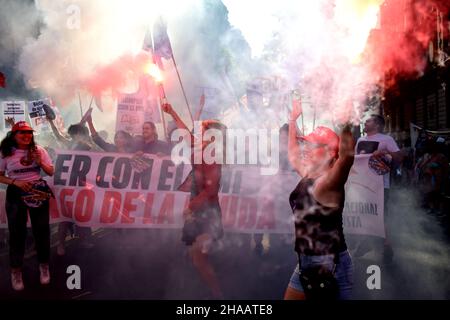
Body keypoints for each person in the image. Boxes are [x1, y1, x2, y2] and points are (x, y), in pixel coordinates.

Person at [284, 100, 355, 300]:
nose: (305, 148)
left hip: (331, 267)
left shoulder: (328, 183)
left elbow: (347, 157)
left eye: (312, 145)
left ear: (331, 151)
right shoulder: (309, 174)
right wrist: (292, 119)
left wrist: (346, 124)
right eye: (306, 143)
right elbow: (292, 154)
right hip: (306, 264)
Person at [163, 102, 225, 299]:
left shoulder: (211, 156)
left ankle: (218, 295)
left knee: (199, 258)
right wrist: (172, 111)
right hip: (199, 211)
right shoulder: (201, 148)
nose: (199, 129)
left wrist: (191, 206)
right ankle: (209, 287)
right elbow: (185, 134)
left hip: (207, 213)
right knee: (196, 254)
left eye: (203, 127)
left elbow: (211, 190)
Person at [0, 121, 55, 291]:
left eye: (29, 133)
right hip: (16, 193)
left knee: (42, 231)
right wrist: (16, 182)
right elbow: (0, 176)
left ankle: (44, 266)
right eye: (22, 133)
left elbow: (51, 171)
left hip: (37, 190)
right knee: (17, 233)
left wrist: (40, 161)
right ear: (14, 135)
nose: (26, 136)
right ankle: (16, 271)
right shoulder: (5, 152)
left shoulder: (39, 150)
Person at [353, 114, 403, 262]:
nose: (365, 123)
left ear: (377, 125)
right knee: (364, 212)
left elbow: (399, 157)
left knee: (381, 216)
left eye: (368, 121)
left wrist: (385, 153)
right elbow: (357, 161)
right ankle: (366, 242)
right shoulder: (360, 140)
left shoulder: (386, 140)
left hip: (381, 186)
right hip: (362, 185)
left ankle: (387, 247)